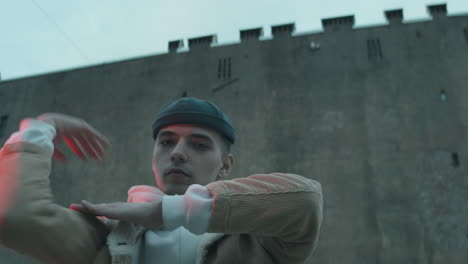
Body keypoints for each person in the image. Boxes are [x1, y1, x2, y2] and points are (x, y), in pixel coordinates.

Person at [0, 97, 323, 264]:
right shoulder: (109, 236)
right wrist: (41, 128)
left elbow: (305, 201)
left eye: (198, 144)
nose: (178, 153)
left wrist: (166, 212)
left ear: (225, 166)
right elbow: (15, 217)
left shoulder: (254, 242)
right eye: (167, 142)